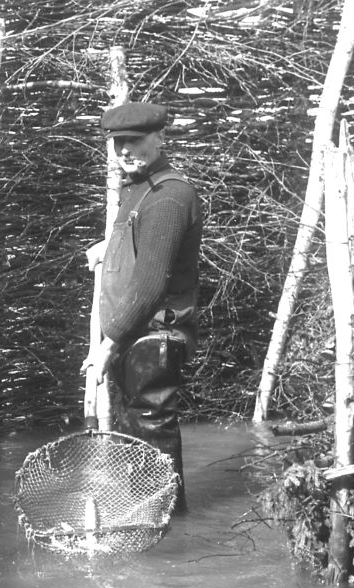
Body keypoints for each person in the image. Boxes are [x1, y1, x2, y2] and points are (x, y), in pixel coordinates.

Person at [80, 102, 203, 512]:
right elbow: (142, 245)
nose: (124, 151)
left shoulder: (169, 196)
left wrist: (106, 345)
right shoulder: (139, 189)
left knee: (153, 436)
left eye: (133, 141)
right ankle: (148, 518)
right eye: (117, 143)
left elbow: (150, 284)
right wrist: (109, 246)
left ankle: (170, 534)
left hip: (154, 337)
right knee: (136, 444)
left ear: (160, 137)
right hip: (133, 334)